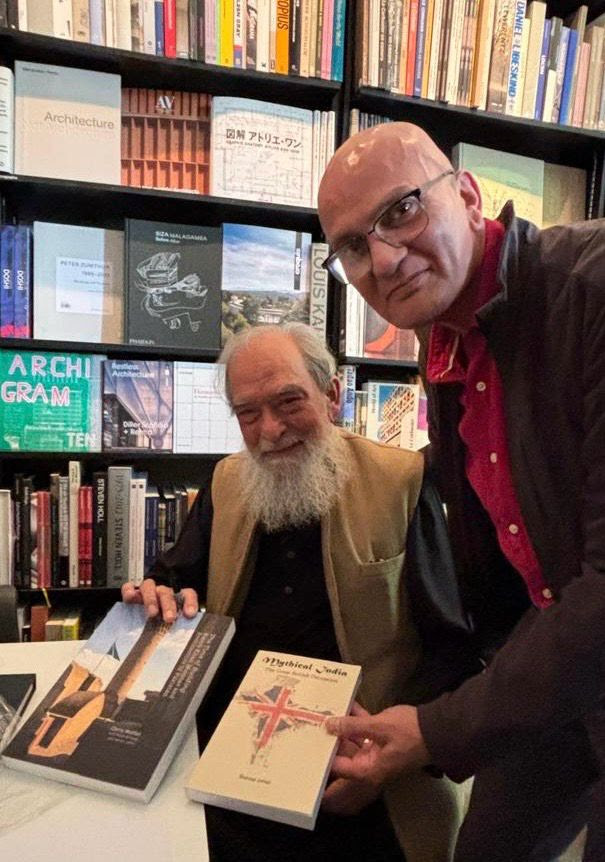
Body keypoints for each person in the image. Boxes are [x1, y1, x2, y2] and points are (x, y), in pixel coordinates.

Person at [317, 121, 605, 862]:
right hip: (557, 663)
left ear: (469, 197)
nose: (381, 257)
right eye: (352, 245)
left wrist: (433, 731)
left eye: (401, 209)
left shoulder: (591, 293)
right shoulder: (443, 336)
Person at [122, 322, 478, 862]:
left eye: (290, 402)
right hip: (232, 761)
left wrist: (385, 757)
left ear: (331, 394)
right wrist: (157, 593)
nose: (270, 430)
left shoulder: (402, 481)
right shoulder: (225, 481)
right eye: (248, 413)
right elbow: (179, 576)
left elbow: (451, 649)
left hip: (358, 769)